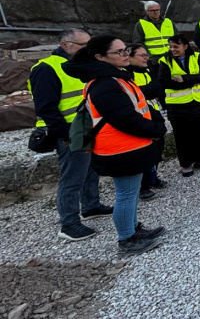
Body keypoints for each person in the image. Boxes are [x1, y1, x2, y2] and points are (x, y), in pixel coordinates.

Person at [62, 36, 166, 256]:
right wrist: (155, 129)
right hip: (120, 149)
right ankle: (126, 239)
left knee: (130, 192)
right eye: (119, 52)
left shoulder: (114, 78)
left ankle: (133, 229)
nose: (126, 54)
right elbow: (125, 119)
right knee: (126, 194)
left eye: (125, 49)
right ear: (100, 57)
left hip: (129, 146)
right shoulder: (105, 84)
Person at [28, 28, 112, 241]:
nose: (88, 49)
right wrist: (65, 134)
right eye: (84, 45)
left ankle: (91, 206)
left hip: (87, 127)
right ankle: (69, 224)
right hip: (70, 131)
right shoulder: (47, 68)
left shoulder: (79, 64)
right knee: (72, 178)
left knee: (91, 170)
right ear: (66, 45)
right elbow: (46, 107)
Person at [158, 35, 200, 176]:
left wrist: (185, 79)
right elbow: (163, 81)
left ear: (185, 46)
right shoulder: (165, 60)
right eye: (171, 46)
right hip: (177, 104)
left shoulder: (197, 57)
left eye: (176, 46)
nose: (172, 49)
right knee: (181, 135)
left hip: (198, 101)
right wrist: (190, 82)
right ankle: (186, 164)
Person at [126, 44, 168, 200]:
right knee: (142, 151)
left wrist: (147, 90)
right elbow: (135, 94)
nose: (146, 58)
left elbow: (158, 88)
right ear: (130, 57)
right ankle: (142, 187)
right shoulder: (125, 74)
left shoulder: (148, 70)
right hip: (139, 118)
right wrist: (149, 89)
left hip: (153, 114)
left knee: (158, 147)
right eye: (142, 55)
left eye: (147, 55)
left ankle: (152, 177)